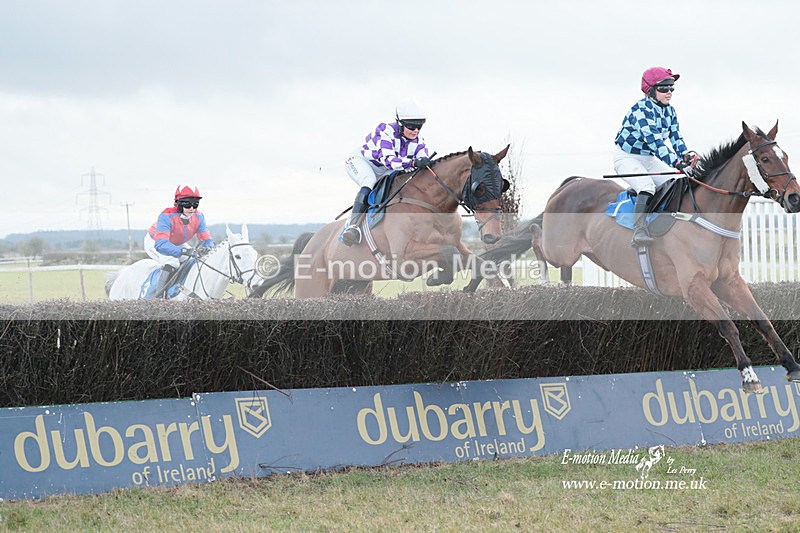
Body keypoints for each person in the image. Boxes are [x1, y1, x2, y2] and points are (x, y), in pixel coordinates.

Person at [613, 66, 699, 246]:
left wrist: (686, 157)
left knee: (677, 183)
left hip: (649, 159)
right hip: (627, 157)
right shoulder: (641, 110)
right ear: (650, 90)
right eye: (664, 88)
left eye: (671, 88)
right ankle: (639, 230)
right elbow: (655, 143)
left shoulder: (670, 111)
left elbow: (676, 139)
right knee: (647, 186)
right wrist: (676, 163)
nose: (669, 93)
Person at [341, 98, 434, 246]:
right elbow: (389, 160)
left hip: (386, 170)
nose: (415, 130)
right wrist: (413, 162)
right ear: (400, 123)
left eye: (419, 126)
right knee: (369, 181)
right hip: (361, 161)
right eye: (411, 126)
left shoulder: (418, 140)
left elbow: (423, 161)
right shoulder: (385, 131)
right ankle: (352, 227)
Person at [143, 185, 215, 298]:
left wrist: (208, 246)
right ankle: (158, 297)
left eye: (195, 204)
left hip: (176, 241)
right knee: (172, 262)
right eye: (187, 204)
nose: (192, 208)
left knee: (194, 261)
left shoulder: (199, 217)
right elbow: (161, 244)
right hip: (155, 240)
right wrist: (184, 250)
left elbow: (206, 238)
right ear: (178, 204)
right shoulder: (166, 215)